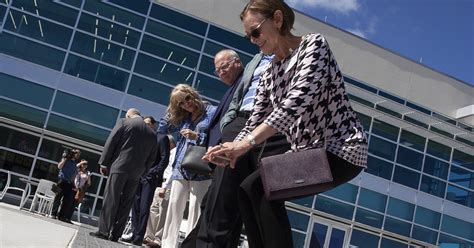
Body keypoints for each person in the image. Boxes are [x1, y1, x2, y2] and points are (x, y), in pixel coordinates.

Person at [205, 1, 368, 247]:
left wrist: (245, 144)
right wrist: (231, 147)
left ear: (278, 19)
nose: (253, 40)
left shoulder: (314, 45)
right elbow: (255, 118)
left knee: (260, 186)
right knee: (248, 188)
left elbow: (296, 103)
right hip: (308, 152)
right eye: (248, 36)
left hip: (340, 150)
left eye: (256, 32)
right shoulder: (270, 73)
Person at [181, 49, 250, 248]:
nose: (221, 73)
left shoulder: (246, 82)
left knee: (219, 209)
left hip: (231, 151)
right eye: (217, 70)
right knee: (212, 206)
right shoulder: (234, 88)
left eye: (224, 67)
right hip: (220, 155)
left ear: (237, 62)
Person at [157, 84, 217, 248]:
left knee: (195, 212)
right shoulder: (183, 116)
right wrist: (172, 108)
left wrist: (197, 135)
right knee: (174, 208)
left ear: (192, 94)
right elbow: (162, 129)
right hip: (181, 168)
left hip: (201, 168)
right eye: (181, 103)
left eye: (187, 99)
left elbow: (217, 136)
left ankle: (191, 246)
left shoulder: (212, 111)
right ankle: (168, 245)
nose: (186, 104)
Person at [90, 108, 158, 241]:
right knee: (127, 203)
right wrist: (143, 172)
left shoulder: (124, 122)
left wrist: (104, 163)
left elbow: (111, 142)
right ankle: (116, 235)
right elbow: (152, 158)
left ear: (129, 115)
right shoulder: (152, 132)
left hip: (119, 167)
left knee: (111, 199)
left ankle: (103, 231)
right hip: (136, 173)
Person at [121, 116, 171, 246]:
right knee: (135, 207)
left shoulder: (161, 137)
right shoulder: (142, 137)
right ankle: (134, 233)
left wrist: (153, 172)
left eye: (148, 124)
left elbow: (164, 159)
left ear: (154, 125)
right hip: (137, 175)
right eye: (144, 124)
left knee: (144, 208)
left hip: (150, 178)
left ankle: (139, 237)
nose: (146, 126)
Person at [143, 135, 176, 247]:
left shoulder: (175, 152)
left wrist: (165, 186)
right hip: (160, 184)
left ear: (170, 144)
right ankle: (149, 236)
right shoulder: (168, 153)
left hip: (167, 186)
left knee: (162, 212)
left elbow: (172, 171)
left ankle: (158, 239)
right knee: (154, 210)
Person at [50, 148, 82, 224]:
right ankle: (53, 214)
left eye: (79, 154)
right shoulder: (65, 159)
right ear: (73, 153)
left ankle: (61, 216)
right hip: (62, 181)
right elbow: (59, 167)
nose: (78, 155)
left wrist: (74, 185)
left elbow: (74, 175)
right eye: (77, 153)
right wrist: (65, 158)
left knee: (67, 201)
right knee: (58, 198)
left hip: (69, 183)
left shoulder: (74, 163)